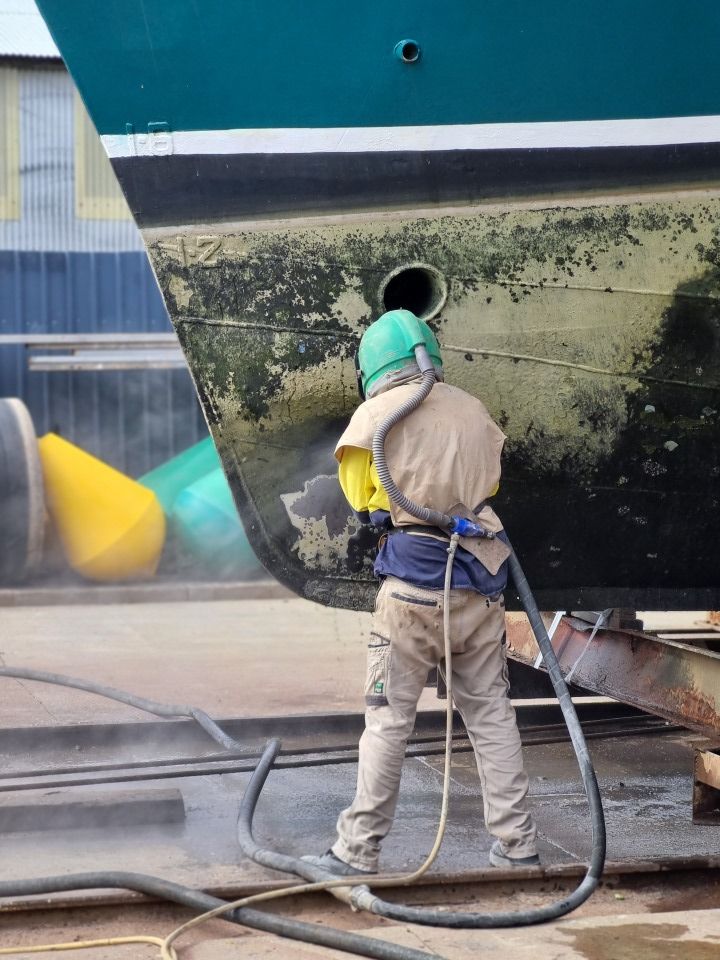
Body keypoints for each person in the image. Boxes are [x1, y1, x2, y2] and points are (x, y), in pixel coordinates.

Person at [304, 309, 538, 877]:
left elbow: (365, 500)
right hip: (481, 588)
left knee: (388, 720)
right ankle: (518, 846)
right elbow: (489, 488)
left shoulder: (373, 419)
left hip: (410, 595)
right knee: (490, 715)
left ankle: (357, 851)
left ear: (371, 368)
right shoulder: (474, 411)